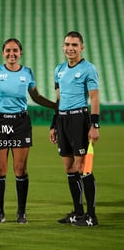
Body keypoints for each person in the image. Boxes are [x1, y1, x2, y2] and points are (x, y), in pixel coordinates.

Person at [0, 38, 57, 224]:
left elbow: (36, 97)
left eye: (15, 51)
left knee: (20, 169)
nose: (11, 54)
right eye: (8, 51)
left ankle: (21, 213)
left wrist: (56, 105)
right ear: (3, 53)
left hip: (20, 124)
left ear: (21, 53)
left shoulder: (27, 73)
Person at [49, 31, 99, 227]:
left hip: (80, 119)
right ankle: (78, 213)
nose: (70, 48)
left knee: (83, 167)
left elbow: (94, 98)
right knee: (69, 168)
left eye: (74, 45)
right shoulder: (59, 69)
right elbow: (59, 99)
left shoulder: (89, 69)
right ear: (63, 47)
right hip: (62, 120)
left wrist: (94, 125)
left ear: (81, 47)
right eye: (67, 44)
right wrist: (54, 124)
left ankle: (91, 216)